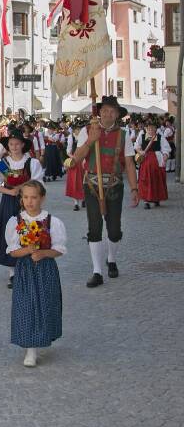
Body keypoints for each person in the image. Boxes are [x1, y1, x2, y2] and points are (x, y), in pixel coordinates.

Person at [71, 95, 138, 288]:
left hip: (114, 185)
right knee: (94, 228)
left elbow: (130, 164)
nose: (108, 114)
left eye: (112, 111)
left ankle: (111, 259)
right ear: (99, 112)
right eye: (105, 110)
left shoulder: (124, 135)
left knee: (115, 229)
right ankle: (97, 271)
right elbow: (76, 158)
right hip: (91, 184)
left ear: (117, 114)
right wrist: (91, 141)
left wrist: (135, 188)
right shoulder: (87, 131)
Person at [5, 179, 66, 367]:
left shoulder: (52, 221)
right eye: (25, 197)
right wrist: (28, 250)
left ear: (42, 198)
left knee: (46, 304)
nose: (29, 201)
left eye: (33, 197)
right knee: (26, 306)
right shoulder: (16, 221)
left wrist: (44, 253)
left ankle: (43, 338)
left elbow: (59, 249)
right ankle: (30, 350)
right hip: (25, 271)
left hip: (46, 269)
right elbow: (12, 250)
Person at [0, 129, 44, 288]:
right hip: (8, 201)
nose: (14, 147)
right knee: (10, 232)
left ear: (23, 145)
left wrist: (22, 190)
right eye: (11, 144)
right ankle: (13, 272)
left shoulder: (32, 163)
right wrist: (10, 191)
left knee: (29, 232)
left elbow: (38, 183)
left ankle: (30, 267)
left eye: (17, 144)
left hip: (28, 201)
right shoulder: (3, 164)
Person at [135, 119, 170, 209]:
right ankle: (146, 201)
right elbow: (136, 146)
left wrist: (165, 156)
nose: (151, 130)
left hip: (157, 161)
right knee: (145, 180)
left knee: (157, 180)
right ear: (146, 128)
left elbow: (166, 148)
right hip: (145, 161)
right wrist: (141, 151)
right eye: (149, 128)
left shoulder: (160, 137)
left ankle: (156, 198)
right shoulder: (141, 136)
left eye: (153, 128)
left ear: (155, 128)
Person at [64, 124, 85, 211]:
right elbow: (68, 151)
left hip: (83, 162)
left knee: (84, 181)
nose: (79, 131)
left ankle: (84, 199)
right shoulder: (70, 137)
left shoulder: (84, 137)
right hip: (74, 163)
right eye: (77, 129)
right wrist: (74, 158)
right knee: (74, 183)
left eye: (80, 129)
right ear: (74, 130)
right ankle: (76, 203)